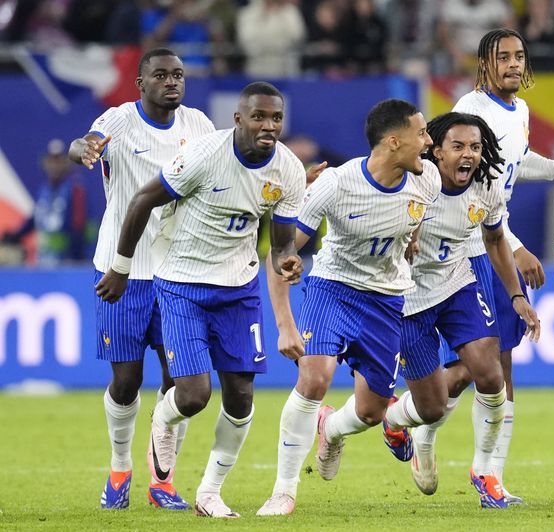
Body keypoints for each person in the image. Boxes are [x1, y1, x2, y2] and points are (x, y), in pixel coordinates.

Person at [95, 81, 306, 518]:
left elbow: (283, 243)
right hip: (183, 283)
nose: (269, 126)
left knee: (242, 396)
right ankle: (159, 423)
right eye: (259, 117)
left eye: (276, 118)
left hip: (239, 287)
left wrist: (288, 260)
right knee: (192, 395)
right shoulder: (204, 155)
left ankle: (209, 492)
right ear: (238, 119)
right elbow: (142, 201)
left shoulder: (288, 169)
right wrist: (119, 266)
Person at [413, 27, 554, 506]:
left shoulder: (520, 111)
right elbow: (469, 188)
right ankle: (428, 435)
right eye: (503, 57)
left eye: (519, 56)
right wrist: (515, 246)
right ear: (484, 64)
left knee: (489, 371)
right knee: (487, 369)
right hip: (468, 249)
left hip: (490, 240)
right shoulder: (471, 112)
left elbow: (513, 163)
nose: (513, 64)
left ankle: (483, 471)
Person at [256, 99, 439, 517]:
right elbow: (280, 253)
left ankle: (330, 428)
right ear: (394, 142)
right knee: (315, 377)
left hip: (387, 299)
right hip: (332, 289)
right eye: (422, 133)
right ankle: (283, 491)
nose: (428, 143)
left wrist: (411, 236)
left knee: (373, 412)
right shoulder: (336, 184)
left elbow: (416, 216)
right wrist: (285, 323)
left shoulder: (425, 180)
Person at [67, 47, 216, 511]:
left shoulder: (199, 126)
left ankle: (163, 481)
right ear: (141, 83)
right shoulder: (119, 121)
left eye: (178, 75)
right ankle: (118, 467)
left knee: (181, 382)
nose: (171, 81)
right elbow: (85, 141)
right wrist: (83, 149)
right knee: (127, 381)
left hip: (180, 272)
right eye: (160, 75)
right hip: (122, 270)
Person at [379, 112, 540, 509]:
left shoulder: (486, 187)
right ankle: (396, 419)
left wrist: (517, 297)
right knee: (431, 403)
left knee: (489, 373)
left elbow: (496, 239)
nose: (468, 154)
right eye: (458, 146)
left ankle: (485, 472)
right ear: (436, 150)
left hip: (456, 284)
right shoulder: (413, 184)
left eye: (475, 147)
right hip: (409, 298)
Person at [3, 139, 87, 266]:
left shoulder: (75, 190)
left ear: (66, 163)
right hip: (43, 260)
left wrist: (76, 261)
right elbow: (35, 218)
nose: (54, 165)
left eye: (58, 161)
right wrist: (15, 235)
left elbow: (78, 228)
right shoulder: (43, 190)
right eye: (51, 160)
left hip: (66, 262)